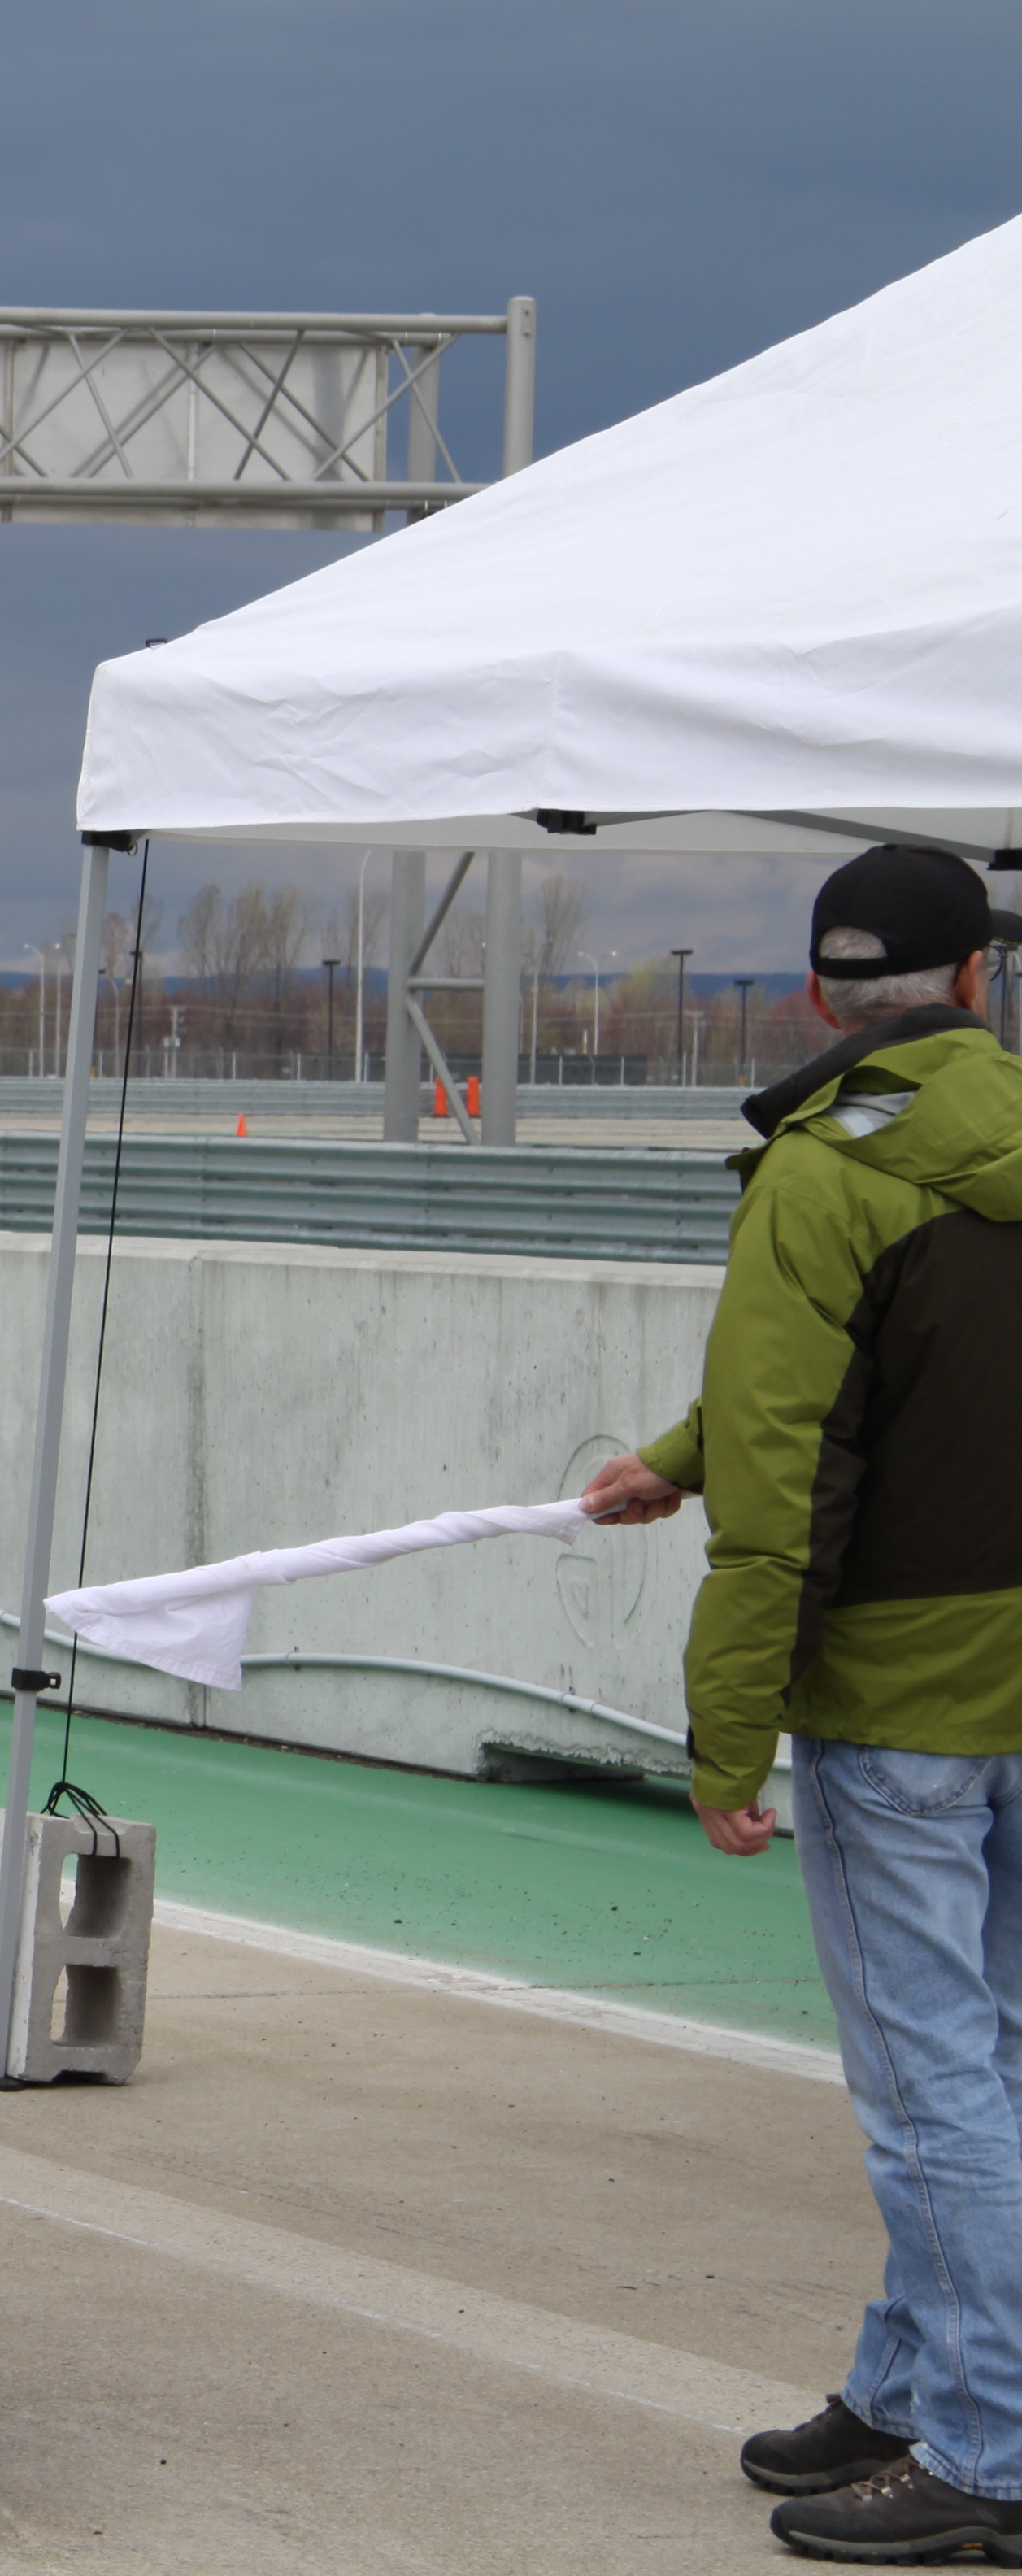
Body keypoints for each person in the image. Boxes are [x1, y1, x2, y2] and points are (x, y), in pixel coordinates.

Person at [581, 844, 1022, 2563]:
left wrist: (726, 1737)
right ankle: (910, 2386)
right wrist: (674, 1457)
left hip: (902, 1703)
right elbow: (881, 1383)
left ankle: (990, 2452)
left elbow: (789, 1474)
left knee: (929, 2089)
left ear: (818, 996)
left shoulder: (826, 1171)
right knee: (993, 2062)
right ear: (976, 981)